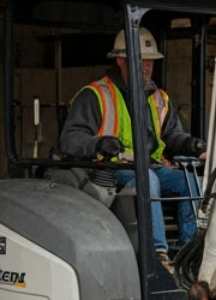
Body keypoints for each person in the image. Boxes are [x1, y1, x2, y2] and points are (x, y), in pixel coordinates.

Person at [57, 26, 206, 260]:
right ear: (120, 61)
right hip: (114, 170)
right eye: (141, 60)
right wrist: (99, 144)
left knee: (191, 181)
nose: (147, 66)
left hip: (151, 167)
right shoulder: (96, 95)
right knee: (148, 179)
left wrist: (195, 146)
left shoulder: (158, 98)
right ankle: (156, 253)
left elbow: (173, 135)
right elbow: (70, 139)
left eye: (151, 61)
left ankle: (192, 251)